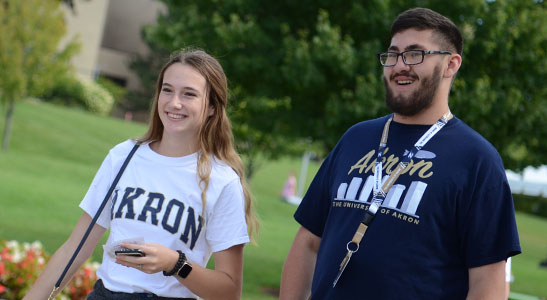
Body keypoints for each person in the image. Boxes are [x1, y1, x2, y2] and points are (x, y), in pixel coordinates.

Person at [280, 7, 520, 300]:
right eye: (393, 54)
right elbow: (308, 242)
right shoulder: (356, 138)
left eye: (415, 54)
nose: (400, 65)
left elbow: (488, 282)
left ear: (451, 65)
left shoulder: (477, 160)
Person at [24, 48, 258, 300]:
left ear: (212, 107)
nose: (174, 102)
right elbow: (76, 248)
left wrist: (175, 264)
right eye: (167, 90)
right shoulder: (124, 156)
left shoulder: (222, 182)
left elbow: (229, 291)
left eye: (189, 94)